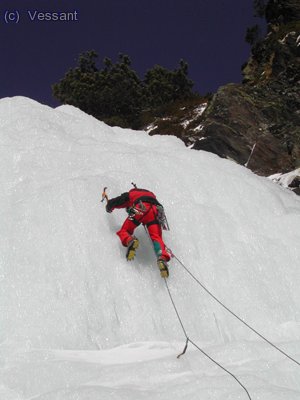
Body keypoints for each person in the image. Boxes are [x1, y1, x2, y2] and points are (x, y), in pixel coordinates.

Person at [105, 186, 170, 277]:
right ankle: (162, 257)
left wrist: (109, 206)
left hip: (140, 209)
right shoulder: (151, 194)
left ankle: (130, 240)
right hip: (156, 211)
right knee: (156, 237)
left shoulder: (131, 194)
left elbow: (119, 201)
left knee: (124, 230)